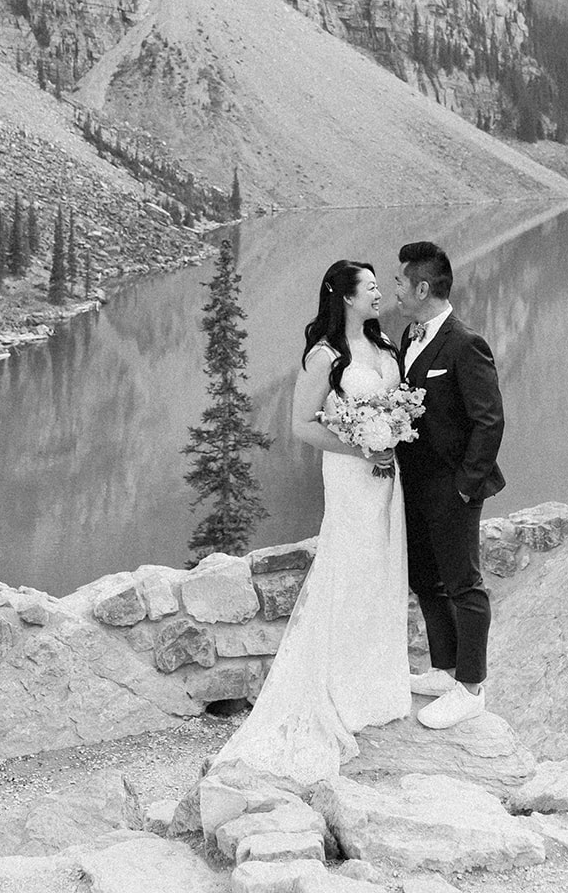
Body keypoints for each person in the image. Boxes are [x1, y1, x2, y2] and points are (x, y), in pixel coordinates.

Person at [210, 260, 411, 785]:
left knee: (381, 571)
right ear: (344, 297)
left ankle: (374, 686)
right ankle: (336, 690)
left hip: (388, 476)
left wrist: (391, 433)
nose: (377, 293)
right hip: (351, 475)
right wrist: (362, 445)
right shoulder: (324, 356)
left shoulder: (384, 345)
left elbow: (396, 403)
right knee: (348, 570)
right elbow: (302, 425)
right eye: (369, 287)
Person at [394, 239, 505, 729]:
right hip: (414, 486)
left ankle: (471, 687)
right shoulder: (409, 336)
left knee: (464, 584)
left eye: (399, 281)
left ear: (422, 287)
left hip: (452, 489)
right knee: (425, 579)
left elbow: (489, 421)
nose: (394, 289)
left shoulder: (465, 343)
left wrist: (465, 486)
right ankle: (444, 668)